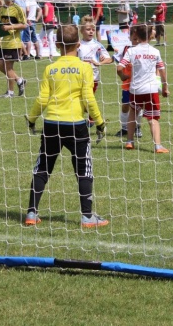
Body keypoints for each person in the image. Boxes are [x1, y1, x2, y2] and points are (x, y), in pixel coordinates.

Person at [23, 24, 108, 228]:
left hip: (51, 123)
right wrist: (99, 122)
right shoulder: (84, 67)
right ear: (78, 44)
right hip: (76, 125)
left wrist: (32, 119)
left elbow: (42, 98)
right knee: (84, 168)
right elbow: (88, 98)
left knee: (43, 166)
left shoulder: (50, 68)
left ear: (57, 44)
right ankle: (87, 217)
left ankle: (31, 213)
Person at [117, 23, 170, 153]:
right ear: (151, 35)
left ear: (136, 35)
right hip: (151, 90)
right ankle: (158, 146)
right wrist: (165, 87)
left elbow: (119, 68)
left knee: (133, 113)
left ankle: (130, 142)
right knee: (153, 118)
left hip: (135, 89)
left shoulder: (131, 51)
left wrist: (123, 76)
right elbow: (162, 71)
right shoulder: (155, 51)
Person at [78, 15, 113, 124]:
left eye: (93, 30)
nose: (91, 32)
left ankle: (92, 119)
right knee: (80, 99)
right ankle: (86, 117)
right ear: (81, 31)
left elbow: (109, 59)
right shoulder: (78, 45)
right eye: (88, 29)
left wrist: (100, 62)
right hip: (78, 76)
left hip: (93, 77)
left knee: (88, 97)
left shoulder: (97, 45)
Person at [0, 0, 28, 97]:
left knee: (8, 67)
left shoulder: (17, 9)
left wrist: (10, 27)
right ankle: (19, 80)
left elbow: (24, 25)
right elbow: (1, 24)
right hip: (3, 42)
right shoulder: (1, 9)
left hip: (13, 42)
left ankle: (10, 92)